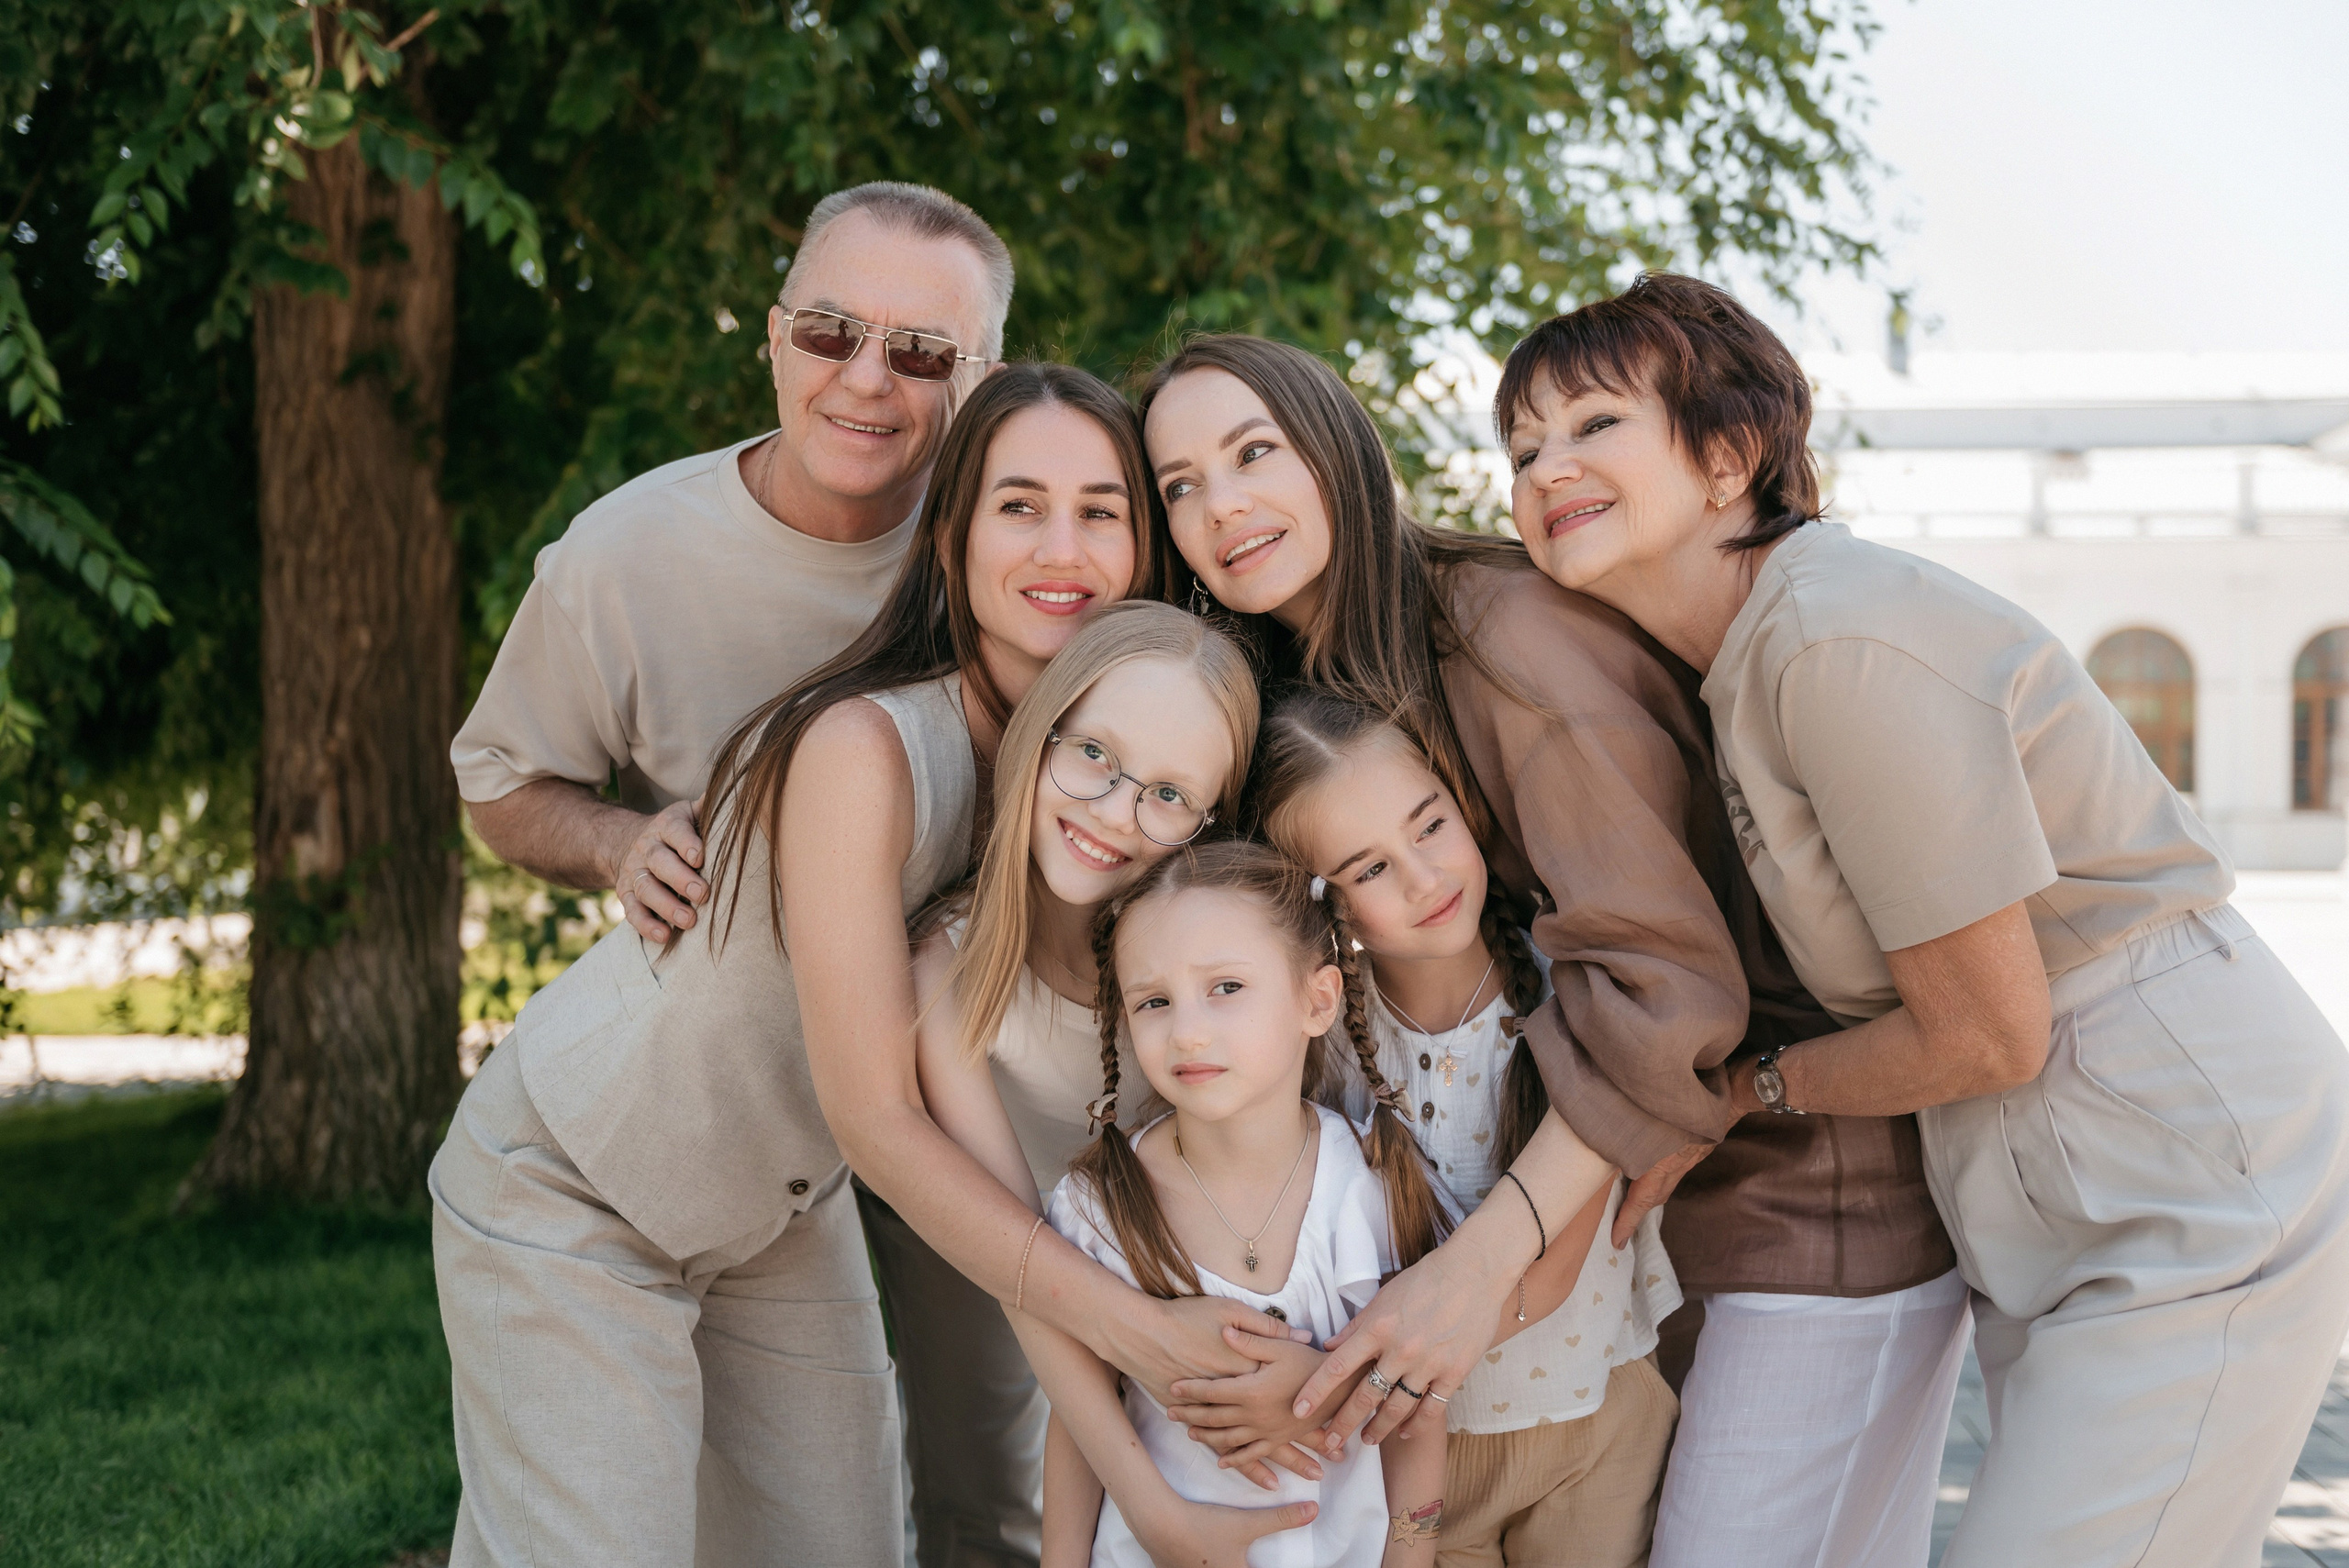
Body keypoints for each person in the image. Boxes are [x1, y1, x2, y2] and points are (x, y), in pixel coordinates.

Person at [1495, 270, 2349, 1568]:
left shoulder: (1836, 635)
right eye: (1522, 444)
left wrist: (1738, 1091)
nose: (1547, 464)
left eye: (1595, 423)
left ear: (1729, 455)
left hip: (2183, 1168)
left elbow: (1989, 1030)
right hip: (2051, 1178)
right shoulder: (1745, 660)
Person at [1136, 337, 1955, 1509]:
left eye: (1253, 451)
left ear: (1335, 448)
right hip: (1629, 1244)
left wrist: (1478, 1268)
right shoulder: (1288, 701)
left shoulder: (1499, 629)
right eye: (1179, 486)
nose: (1221, 505)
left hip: (1788, 1208)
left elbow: (1666, 986)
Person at [428, 361, 1149, 1565]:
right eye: (1019, 505)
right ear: (953, 539)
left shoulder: (1098, 767)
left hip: (774, 1210)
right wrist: (1130, 1327)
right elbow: (875, 1116)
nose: (1058, 547)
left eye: (1102, 509)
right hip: (573, 1181)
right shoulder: (870, 744)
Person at [452, 179, 1009, 950]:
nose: (867, 379)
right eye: (829, 331)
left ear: (981, 381)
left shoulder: (1025, 565)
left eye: (922, 352)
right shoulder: (621, 554)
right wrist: (620, 844)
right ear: (776, 340)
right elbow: (501, 784)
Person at [1251, 689, 1680, 1565]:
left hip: (1595, 1426)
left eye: (1429, 826)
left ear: (1462, 801)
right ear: (1322, 902)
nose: (1424, 878)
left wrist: (1360, 1369)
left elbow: (1554, 1273)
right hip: (1418, 1462)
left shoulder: (1575, 992)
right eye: (1369, 870)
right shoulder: (1321, 1044)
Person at [1041, 840, 1452, 1566]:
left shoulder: (1369, 1181)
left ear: (1317, 1000)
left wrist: (1410, 1555)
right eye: (1154, 1001)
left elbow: (1418, 1406)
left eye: (1226, 986)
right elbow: (1079, 1420)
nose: (1188, 1029)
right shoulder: (1100, 1207)